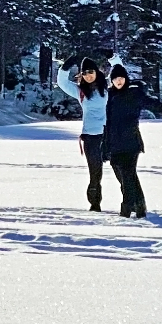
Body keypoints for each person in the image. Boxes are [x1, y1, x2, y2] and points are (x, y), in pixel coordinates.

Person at [57, 56, 109, 210]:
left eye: (90, 71)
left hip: (109, 135)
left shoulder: (107, 88)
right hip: (90, 137)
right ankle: (95, 204)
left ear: (97, 72)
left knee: (121, 170)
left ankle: (129, 201)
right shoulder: (80, 91)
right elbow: (62, 82)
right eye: (84, 73)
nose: (88, 75)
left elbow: (121, 76)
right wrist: (67, 65)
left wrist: (114, 59)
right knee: (95, 172)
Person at [102, 62, 149, 219]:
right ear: (112, 80)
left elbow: (151, 103)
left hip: (131, 143)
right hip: (114, 144)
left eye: (121, 78)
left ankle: (127, 209)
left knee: (128, 175)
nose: (119, 81)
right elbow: (106, 123)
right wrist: (104, 145)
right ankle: (140, 205)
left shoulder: (134, 94)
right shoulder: (108, 96)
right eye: (116, 79)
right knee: (125, 176)